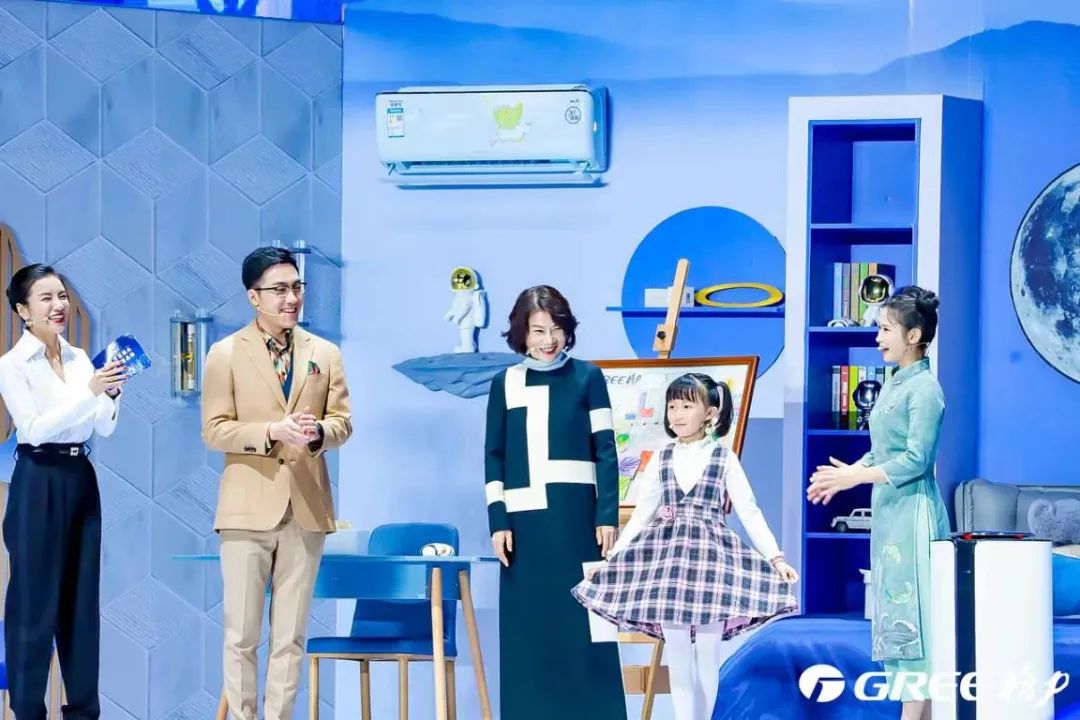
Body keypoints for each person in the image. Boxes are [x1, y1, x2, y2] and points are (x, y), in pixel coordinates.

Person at [573, 372, 798, 720]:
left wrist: (776, 557)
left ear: (710, 412)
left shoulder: (723, 458)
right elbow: (643, 514)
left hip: (712, 563)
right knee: (677, 658)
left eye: (687, 406)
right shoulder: (662, 457)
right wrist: (613, 559)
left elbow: (749, 511)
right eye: (672, 406)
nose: (677, 414)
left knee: (707, 658)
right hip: (669, 566)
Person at [201, 247, 352, 720]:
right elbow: (214, 430)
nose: (292, 298)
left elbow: (343, 422)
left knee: (290, 637)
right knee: (241, 636)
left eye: (297, 287)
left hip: (305, 509)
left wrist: (318, 433)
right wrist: (271, 431)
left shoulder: (324, 353)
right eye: (280, 289)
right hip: (246, 510)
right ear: (254, 296)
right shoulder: (225, 353)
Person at [484, 285, 627, 720]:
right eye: (538, 331)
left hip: (578, 522)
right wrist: (498, 520)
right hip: (523, 529)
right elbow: (495, 456)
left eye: (556, 329)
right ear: (521, 334)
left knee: (587, 627)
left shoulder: (589, 377)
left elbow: (606, 451)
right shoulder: (505, 383)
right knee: (530, 631)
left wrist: (606, 515)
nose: (549, 340)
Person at [808, 285, 949, 720]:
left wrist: (853, 476)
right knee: (894, 612)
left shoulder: (925, 389)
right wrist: (845, 476)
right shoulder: (894, 385)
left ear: (914, 335)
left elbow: (916, 459)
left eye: (886, 329)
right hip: (890, 511)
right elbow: (882, 451)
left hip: (914, 514)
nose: (877, 338)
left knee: (913, 616)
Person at [0, 264, 127, 720]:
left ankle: (84, 711)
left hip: (79, 476)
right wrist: (89, 391)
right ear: (23, 310)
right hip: (38, 479)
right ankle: (28, 710)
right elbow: (33, 429)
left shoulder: (78, 358)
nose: (59, 306)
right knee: (33, 603)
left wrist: (110, 394)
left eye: (62, 296)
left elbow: (101, 428)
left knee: (81, 602)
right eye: (46, 298)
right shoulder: (12, 365)